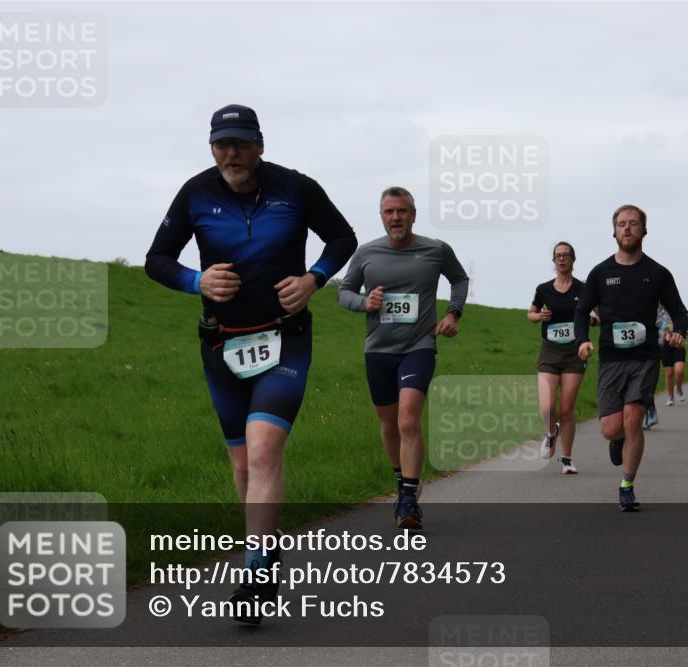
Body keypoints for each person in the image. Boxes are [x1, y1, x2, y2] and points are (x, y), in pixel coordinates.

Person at [145, 104, 357, 623]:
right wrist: (197, 281)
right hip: (221, 345)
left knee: (264, 449)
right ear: (211, 146)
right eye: (221, 143)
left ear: (260, 144)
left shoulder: (295, 188)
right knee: (242, 464)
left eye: (240, 143)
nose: (231, 153)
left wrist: (314, 278)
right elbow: (156, 260)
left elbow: (342, 237)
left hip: (285, 341)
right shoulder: (195, 193)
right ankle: (264, 543)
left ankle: (257, 570)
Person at [338, 186, 469, 529]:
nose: (396, 217)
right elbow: (344, 292)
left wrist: (453, 314)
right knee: (388, 424)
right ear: (381, 216)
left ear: (413, 214)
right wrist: (364, 303)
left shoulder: (436, 250)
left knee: (408, 419)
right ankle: (402, 479)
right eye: (389, 212)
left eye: (402, 211)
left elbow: (459, 278)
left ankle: (408, 500)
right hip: (378, 350)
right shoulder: (366, 253)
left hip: (419, 346)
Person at [575, 204, 688, 512]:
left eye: (634, 223)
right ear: (614, 231)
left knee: (634, 419)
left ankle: (627, 485)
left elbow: (679, 311)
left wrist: (679, 331)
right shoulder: (600, 273)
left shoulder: (658, 274)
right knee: (612, 428)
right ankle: (617, 440)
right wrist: (583, 340)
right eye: (622, 224)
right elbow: (582, 311)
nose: (627, 228)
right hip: (611, 359)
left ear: (644, 231)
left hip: (645, 358)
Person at [528, 242, 587, 474]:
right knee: (547, 407)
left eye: (566, 255)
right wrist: (540, 316)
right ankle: (552, 432)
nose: (561, 259)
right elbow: (530, 314)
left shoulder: (583, 289)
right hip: (549, 352)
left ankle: (567, 459)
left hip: (574, 352)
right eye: (558, 256)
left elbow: (599, 316)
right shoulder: (543, 289)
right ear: (553, 261)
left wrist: (591, 321)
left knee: (566, 410)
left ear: (573, 259)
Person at [660, 308, 687, 406]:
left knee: (679, 371)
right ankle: (671, 397)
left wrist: (684, 331)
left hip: (678, 345)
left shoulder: (678, 312)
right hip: (665, 346)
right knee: (669, 373)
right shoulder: (660, 314)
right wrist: (665, 334)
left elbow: (685, 325)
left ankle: (678, 388)